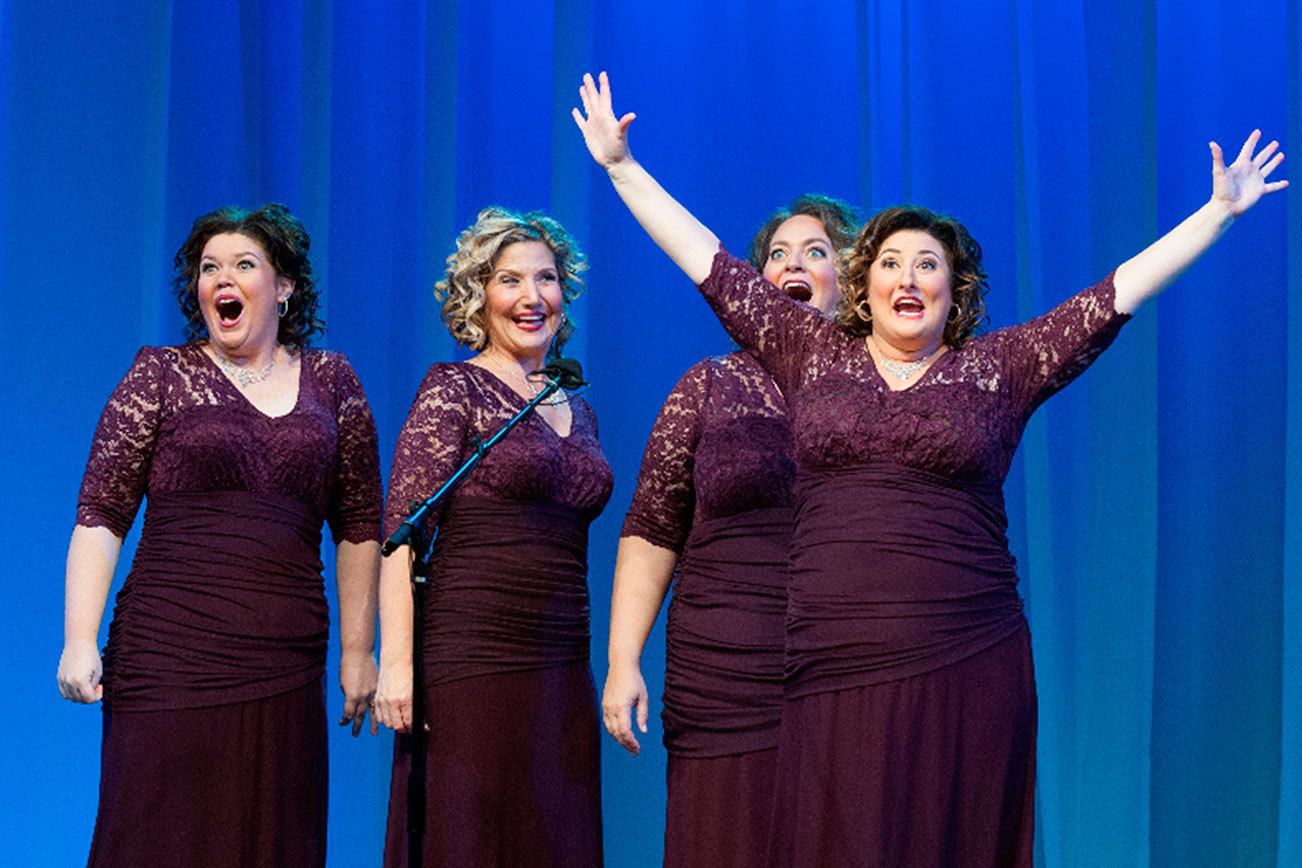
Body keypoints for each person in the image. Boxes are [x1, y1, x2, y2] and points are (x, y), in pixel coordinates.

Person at [573, 71, 1287, 865]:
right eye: (890, 263)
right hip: (833, 658)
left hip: (965, 655)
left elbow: (1115, 295)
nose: (907, 278)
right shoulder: (810, 353)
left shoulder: (1002, 367)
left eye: (927, 265)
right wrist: (621, 167)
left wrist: (1217, 213)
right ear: (863, 285)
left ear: (956, 289)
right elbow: (706, 260)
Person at [56, 203, 384, 867]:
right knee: (154, 835)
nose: (221, 280)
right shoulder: (161, 375)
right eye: (210, 268)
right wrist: (78, 639)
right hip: (169, 653)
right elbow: (100, 513)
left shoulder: (334, 383)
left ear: (284, 285)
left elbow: (358, 527)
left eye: (242, 265)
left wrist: (357, 651)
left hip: (284, 656)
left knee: (269, 839)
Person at [605, 194, 858, 867]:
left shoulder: (878, 388)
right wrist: (623, 660)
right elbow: (653, 525)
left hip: (841, 668)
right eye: (777, 255)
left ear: (852, 278)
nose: (792, 264)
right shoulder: (708, 387)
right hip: (722, 668)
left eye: (815, 252)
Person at [373, 207, 613, 867]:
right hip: (469, 663)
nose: (532, 297)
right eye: (511, 281)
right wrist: (397, 664)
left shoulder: (576, 404)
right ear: (479, 296)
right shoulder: (453, 388)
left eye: (547, 279)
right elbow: (400, 534)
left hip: (562, 665)